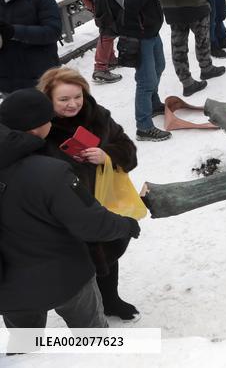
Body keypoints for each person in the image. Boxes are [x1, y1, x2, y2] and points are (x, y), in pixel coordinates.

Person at [0, 88, 140, 330]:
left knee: (23, 350)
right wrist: (127, 225)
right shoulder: (50, 172)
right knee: (93, 340)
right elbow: (92, 224)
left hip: (8, 287)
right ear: (37, 126)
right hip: (64, 277)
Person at [37, 67, 140, 320]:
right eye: (63, 99)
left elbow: (128, 149)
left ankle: (111, 300)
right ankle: (86, 321)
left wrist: (107, 154)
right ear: (48, 99)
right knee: (77, 269)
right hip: (63, 212)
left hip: (102, 201)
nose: (73, 104)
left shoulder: (99, 117)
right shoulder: (38, 127)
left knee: (108, 253)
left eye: (78, 96)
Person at [102, 0, 171, 141]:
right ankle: (144, 126)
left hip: (150, 30)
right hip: (136, 34)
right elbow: (130, 3)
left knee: (159, 66)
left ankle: (153, 103)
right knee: (146, 80)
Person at [0, 0, 61, 95]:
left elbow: (53, 32)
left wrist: (14, 32)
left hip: (40, 79)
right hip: (7, 81)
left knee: (47, 117)